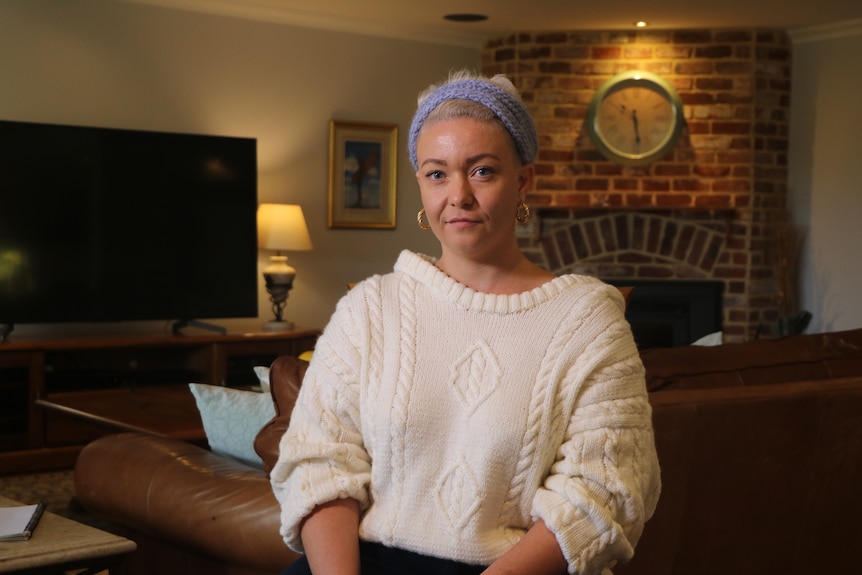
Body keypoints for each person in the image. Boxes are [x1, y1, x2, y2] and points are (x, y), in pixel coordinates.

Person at [270, 69, 661, 575]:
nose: (458, 195)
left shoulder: (589, 322)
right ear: (421, 186)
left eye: (482, 171)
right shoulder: (368, 309)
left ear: (523, 181)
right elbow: (319, 464)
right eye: (437, 173)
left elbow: (605, 494)